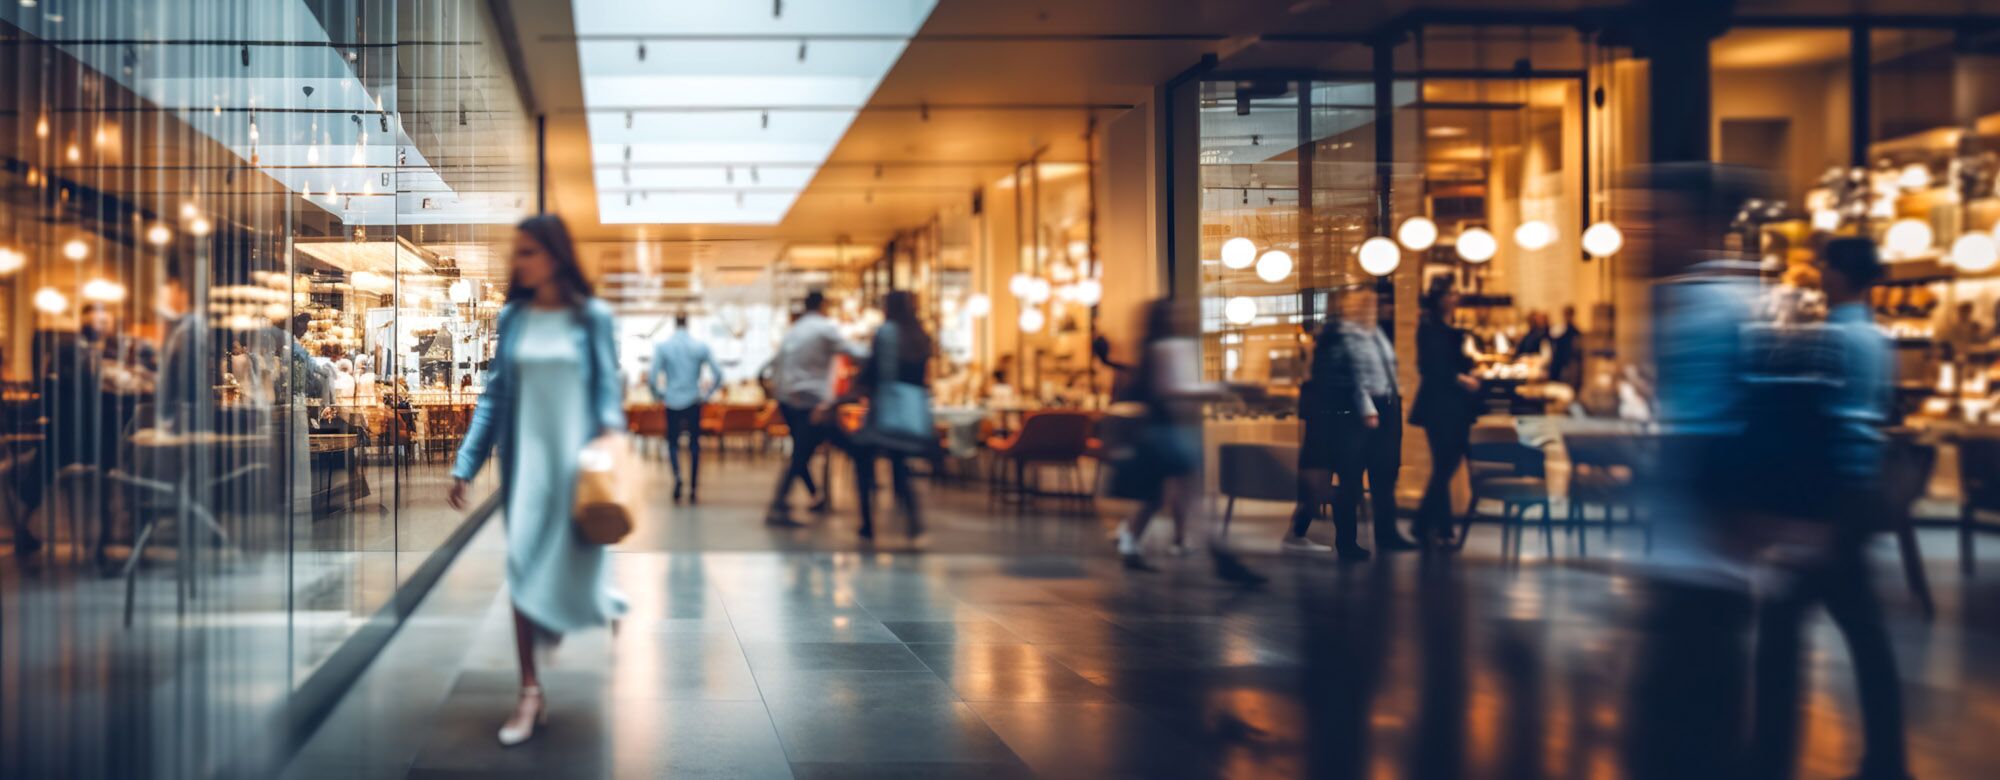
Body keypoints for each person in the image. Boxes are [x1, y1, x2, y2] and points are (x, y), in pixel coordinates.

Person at [447, 214, 628, 747]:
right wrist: (467, 462)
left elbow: (605, 390)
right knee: (522, 570)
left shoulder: (590, 317)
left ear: (554, 255)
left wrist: (608, 438)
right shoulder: (514, 319)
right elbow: (495, 397)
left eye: (528, 252)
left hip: (577, 470)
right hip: (526, 473)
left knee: (564, 568)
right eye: (517, 253)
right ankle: (530, 691)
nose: (518, 262)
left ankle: (589, 602)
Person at [1746, 237, 1908, 780]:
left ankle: (1769, 758)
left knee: (1782, 630)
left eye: (1823, 266)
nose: (1817, 275)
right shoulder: (1878, 339)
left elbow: (1810, 422)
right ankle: (1886, 758)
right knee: (1862, 630)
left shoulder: (1832, 339)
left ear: (1839, 274)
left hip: (1827, 494)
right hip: (1860, 489)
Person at [1113, 298, 1266, 584]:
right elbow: (1172, 389)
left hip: (1165, 430)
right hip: (1170, 431)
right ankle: (1220, 554)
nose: (1182, 317)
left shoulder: (1156, 348)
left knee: (1161, 494)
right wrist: (1224, 388)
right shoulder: (1166, 348)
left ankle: (1131, 543)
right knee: (1188, 495)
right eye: (1176, 313)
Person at [1288, 286, 1417, 560]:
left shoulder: (1374, 334)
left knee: (1383, 476)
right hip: (1352, 418)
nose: (1378, 309)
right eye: (1369, 305)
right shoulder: (1338, 336)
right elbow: (1346, 379)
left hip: (1383, 413)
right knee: (1350, 481)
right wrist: (1367, 407)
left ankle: (1386, 533)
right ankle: (1346, 542)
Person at [830, 291, 935, 543]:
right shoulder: (920, 337)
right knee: (899, 465)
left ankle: (867, 523)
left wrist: (851, 393)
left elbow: (875, 371)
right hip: (910, 410)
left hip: (886, 408)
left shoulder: (887, 333)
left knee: (863, 460)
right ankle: (913, 523)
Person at [765, 291, 865, 527]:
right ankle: (780, 506)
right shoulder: (823, 328)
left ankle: (796, 500)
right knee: (849, 451)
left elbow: (775, 366)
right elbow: (855, 352)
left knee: (802, 451)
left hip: (791, 401)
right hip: (813, 403)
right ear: (823, 305)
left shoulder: (793, 331)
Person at [1409, 277, 1482, 547]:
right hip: (1440, 407)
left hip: (1452, 406)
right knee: (1445, 465)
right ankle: (1432, 527)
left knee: (1445, 466)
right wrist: (1462, 378)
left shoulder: (1448, 328)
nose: (1455, 297)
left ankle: (1435, 527)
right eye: (1451, 293)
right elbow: (1431, 366)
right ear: (1440, 298)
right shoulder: (1430, 328)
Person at [648, 312, 722, 504]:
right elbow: (718, 374)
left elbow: (651, 378)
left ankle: (678, 478)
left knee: (672, 442)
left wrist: (659, 395)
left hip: (672, 400)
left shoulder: (663, 347)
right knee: (694, 444)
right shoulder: (699, 347)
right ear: (687, 323)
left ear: (674, 323)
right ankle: (694, 487)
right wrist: (706, 395)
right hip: (693, 400)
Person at [1550, 305, 1584, 390]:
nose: (1566, 316)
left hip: (1569, 365)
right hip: (1560, 364)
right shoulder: (1559, 329)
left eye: (1568, 314)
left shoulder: (1576, 332)